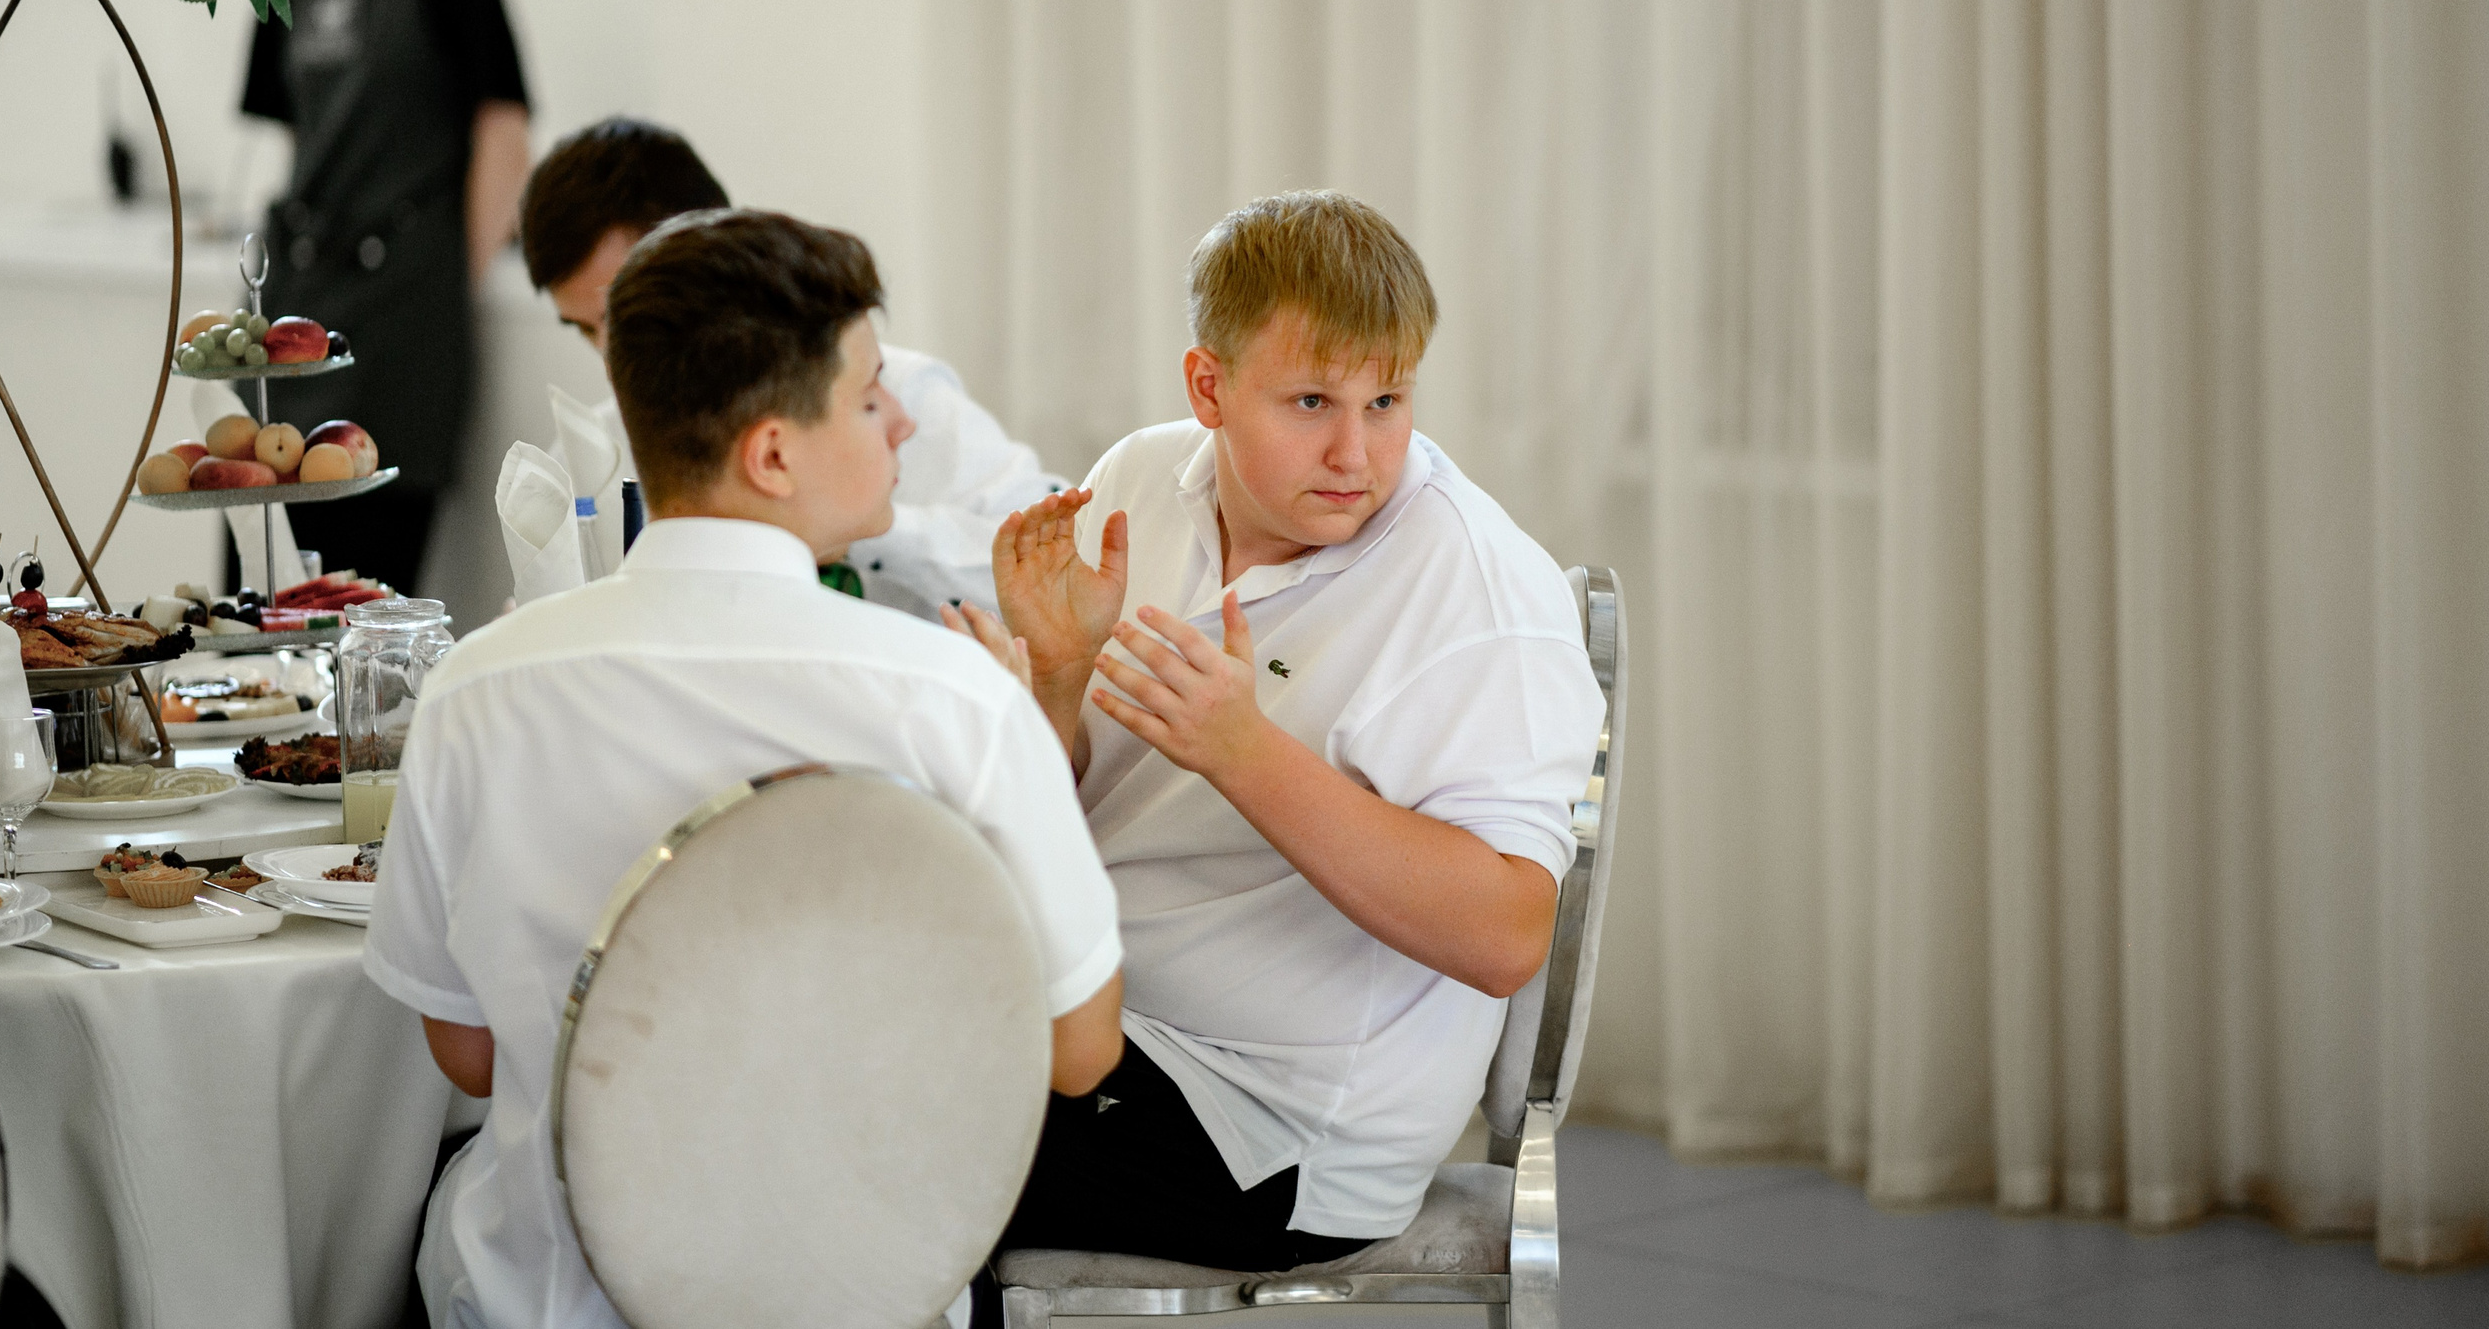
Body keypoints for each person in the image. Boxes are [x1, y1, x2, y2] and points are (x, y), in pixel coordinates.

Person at [361, 211, 1124, 1329]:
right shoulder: (956, 699)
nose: (901, 419)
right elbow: (1078, 1048)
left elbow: (466, 1052)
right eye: (869, 397)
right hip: (866, 1297)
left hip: (543, 1298)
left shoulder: (479, 686)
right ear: (771, 451)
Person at [984, 192, 1603, 1275]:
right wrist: (1056, 674)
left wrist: (1243, 749)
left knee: (871, 1142)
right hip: (1095, 1016)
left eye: (1387, 399)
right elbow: (1066, 806)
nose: (1354, 453)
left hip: (1276, 1130)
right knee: (824, 1044)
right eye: (1311, 399)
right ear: (1208, 385)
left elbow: (1507, 934)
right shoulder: (1138, 480)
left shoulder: (1474, 586)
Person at [517, 117, 1070, 615]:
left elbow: (1053, 557)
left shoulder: (901, 398)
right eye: (587, 330)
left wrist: (850, 517)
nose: (615, 359)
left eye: (628, 310)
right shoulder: (584, 455)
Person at [237, 0, 532, 597]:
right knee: (262, 588)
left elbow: (505, 136)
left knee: (369, 599)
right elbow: (275, 147)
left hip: (403, 322)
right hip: (296, 313)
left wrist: (445, 284)